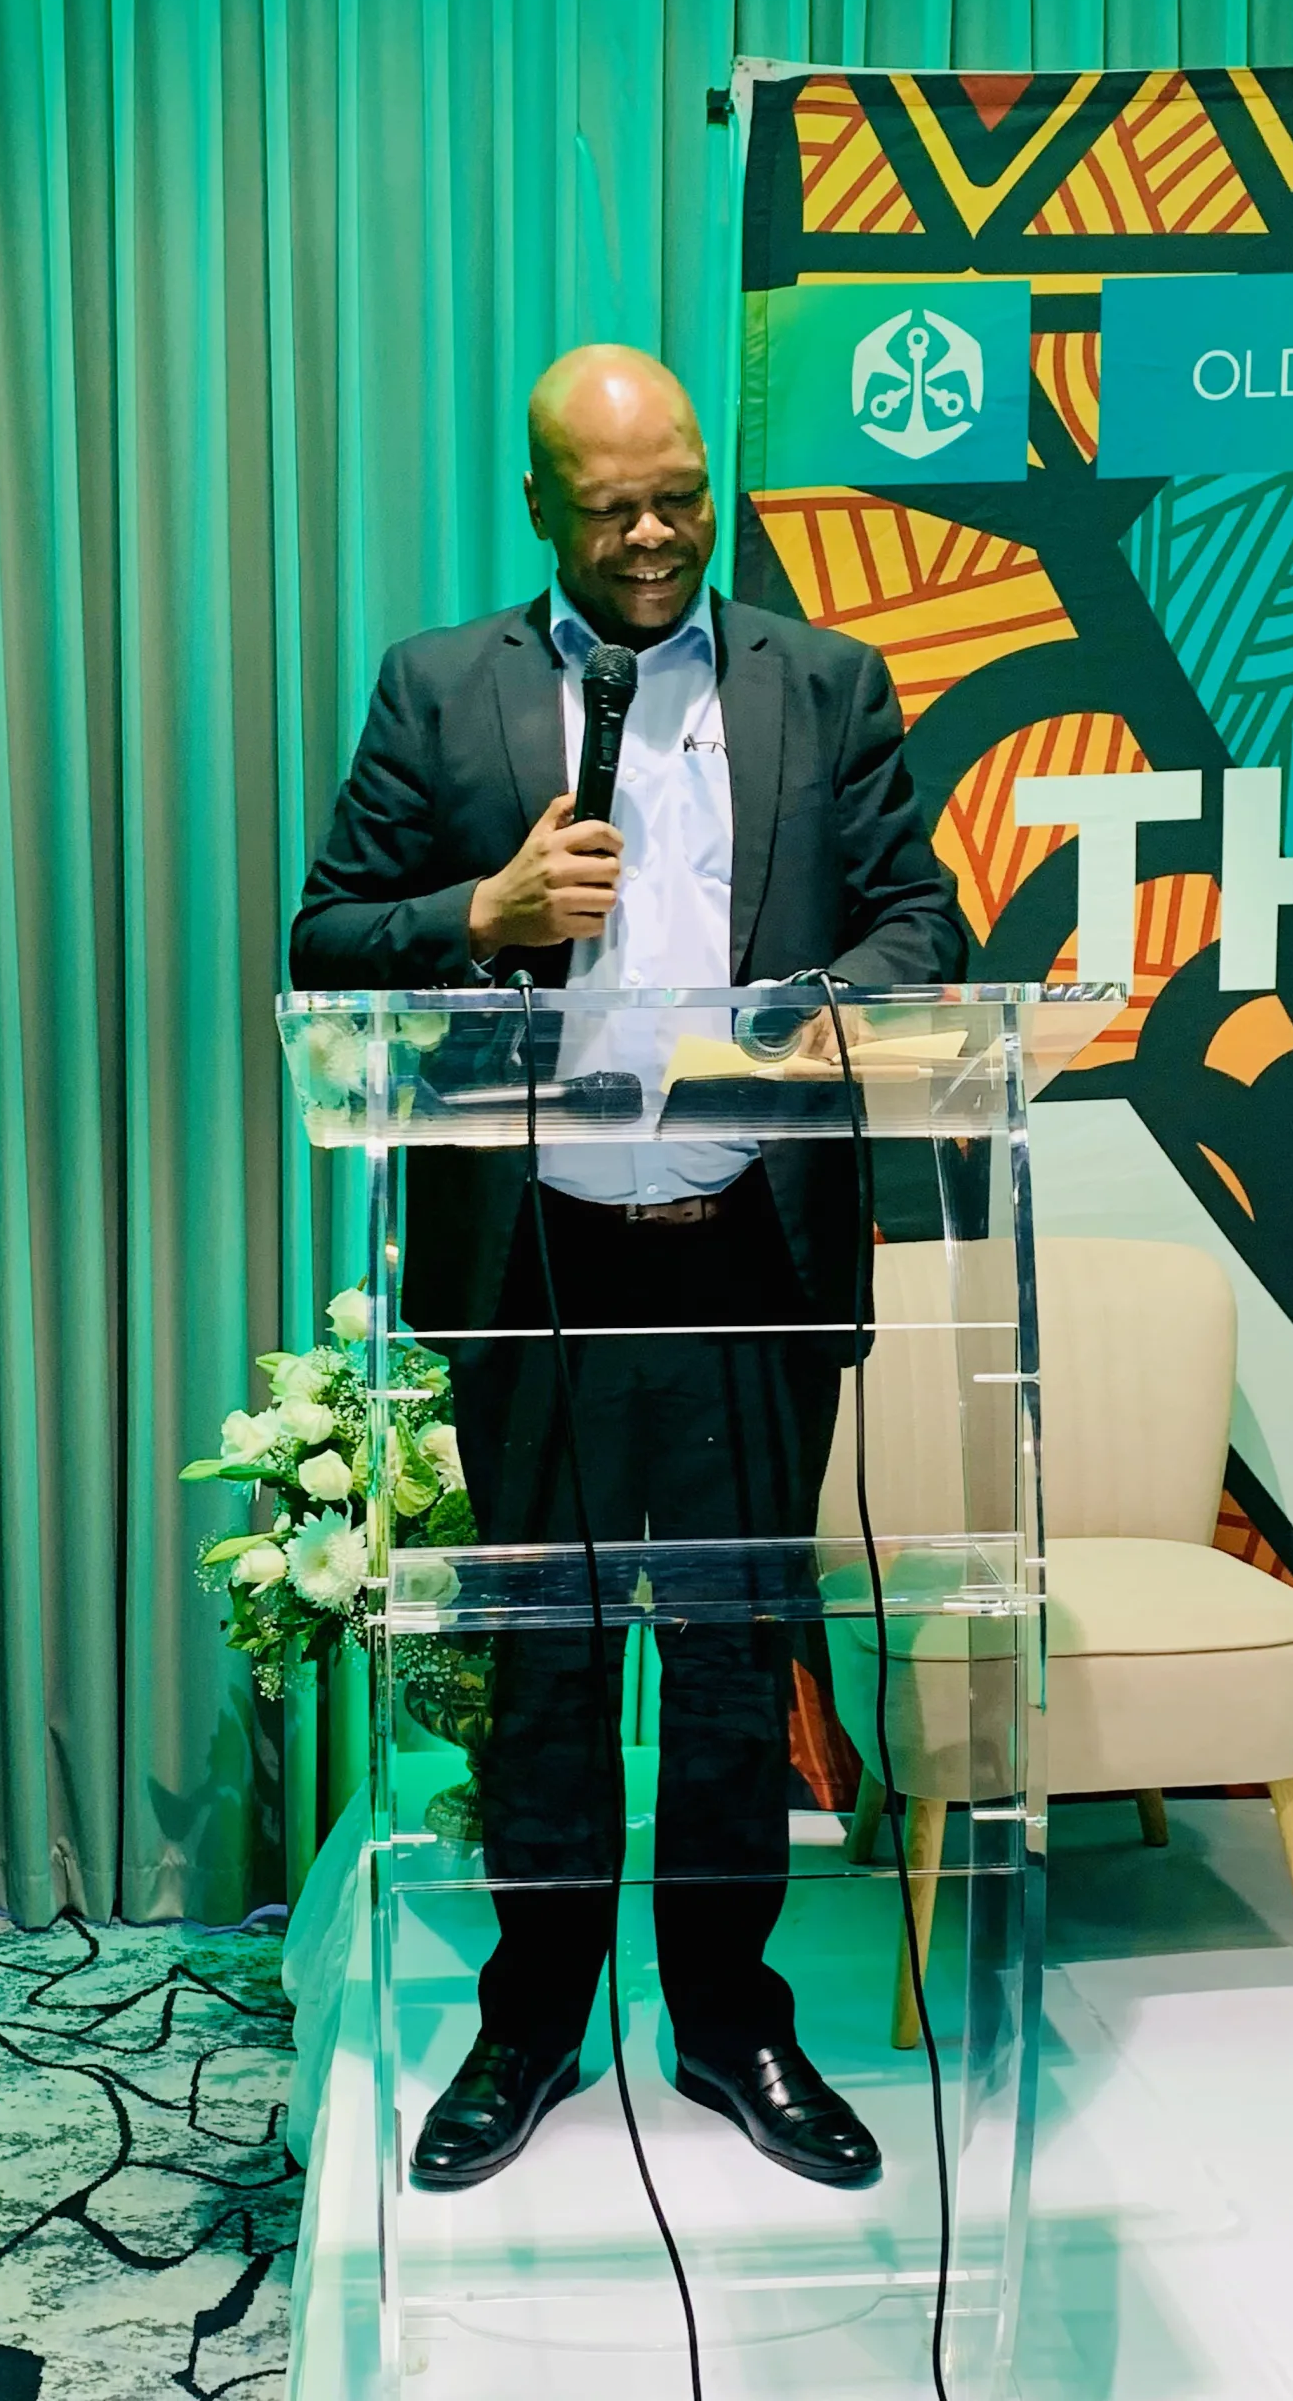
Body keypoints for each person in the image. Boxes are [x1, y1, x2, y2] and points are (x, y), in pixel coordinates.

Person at [291, 344, 965, 2193]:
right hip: (539, 1265)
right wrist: (481, 912)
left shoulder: (825, 682)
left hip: (752, 1254)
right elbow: (327, 935)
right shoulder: (440, 690)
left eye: (680, 497)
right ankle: (531, 2022)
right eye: (613, 510)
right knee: (549, 1672)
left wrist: (801, 1012)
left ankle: (732, 2020)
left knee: (739, 1667)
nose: (656, 535)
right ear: (539, 507)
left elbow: (918, 920)